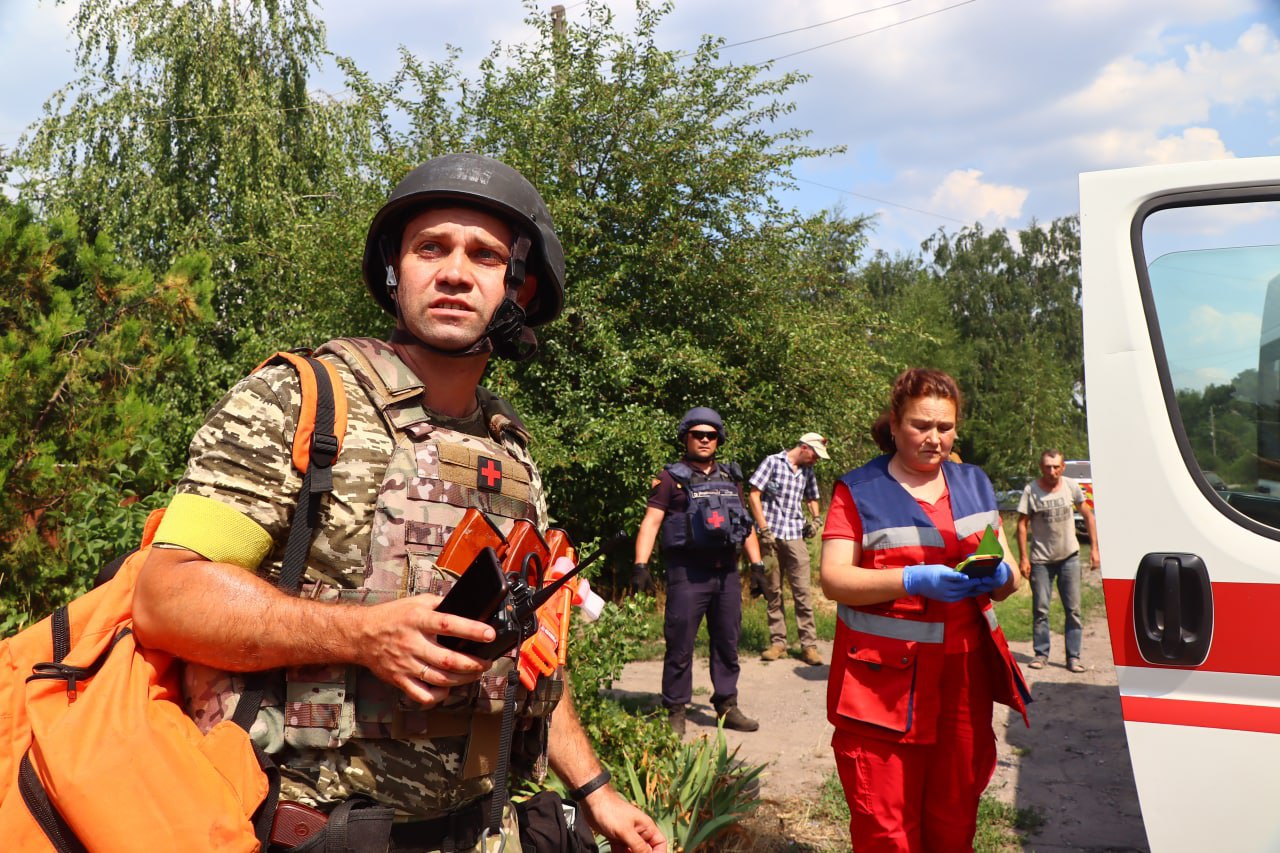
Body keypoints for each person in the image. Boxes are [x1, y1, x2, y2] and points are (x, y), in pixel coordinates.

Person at [132, 153, 666, 853]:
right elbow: (165, 595)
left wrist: (595, 789)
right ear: (396, 269)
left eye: (484, 255)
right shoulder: (299, 402)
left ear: (520, 286)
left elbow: (528, 652)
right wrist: (361, 635)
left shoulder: (512, 453)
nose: (452, 271)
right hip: (307, 833)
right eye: (430, 248)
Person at [819, 368, 1031, 852]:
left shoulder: (975, 482)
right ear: (894, 424)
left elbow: (1011, 574)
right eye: (920, 425)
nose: (933, 438)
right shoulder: (857, 491)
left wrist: (1002, 576)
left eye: (944, 427)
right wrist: (912, 578)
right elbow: (834, 578)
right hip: (881, 691)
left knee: (955, 821)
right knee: (886, 830)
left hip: (963, 685)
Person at [631, 407, 764, 736]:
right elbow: (651, 522)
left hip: (727, 574)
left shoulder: (730, 477)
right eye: (698, 434)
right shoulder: (669, 478)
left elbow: (744, 525)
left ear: (719, 440)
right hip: (687, 574)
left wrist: (758, 566)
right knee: (679, 644)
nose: (705, 440)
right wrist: (640, 565)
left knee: (727, 642)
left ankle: (727, 705)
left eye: (711, 435)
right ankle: (675, 708)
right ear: (686, 437)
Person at [747, 432, 829, 666]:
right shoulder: (772, 462)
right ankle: (778, 643)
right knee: (773, 591)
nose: (816, 460)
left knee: (802, 591)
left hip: (795, 535)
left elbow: (812, 497)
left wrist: (815, 519)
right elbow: (754, 495)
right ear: (804, 447)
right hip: (770, 536)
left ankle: (809, 646)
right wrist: (763, 528)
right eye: (815, 455)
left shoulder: (807, 471)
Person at [1016, 449, 1101, 673]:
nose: (1052, 471)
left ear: (1062, 468)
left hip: (1069, 558)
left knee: (1073, 610)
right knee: (1041, 609)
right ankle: (1041, 654)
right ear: (1041, 467)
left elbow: (1088, 515)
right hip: (1041, 560)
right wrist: (1024, 558)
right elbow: (1022, 524)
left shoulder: (1071, 486)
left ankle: (1073, 657)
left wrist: (1094, 548)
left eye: (1056, 467)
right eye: (1047, 467)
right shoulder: (1031, 490)